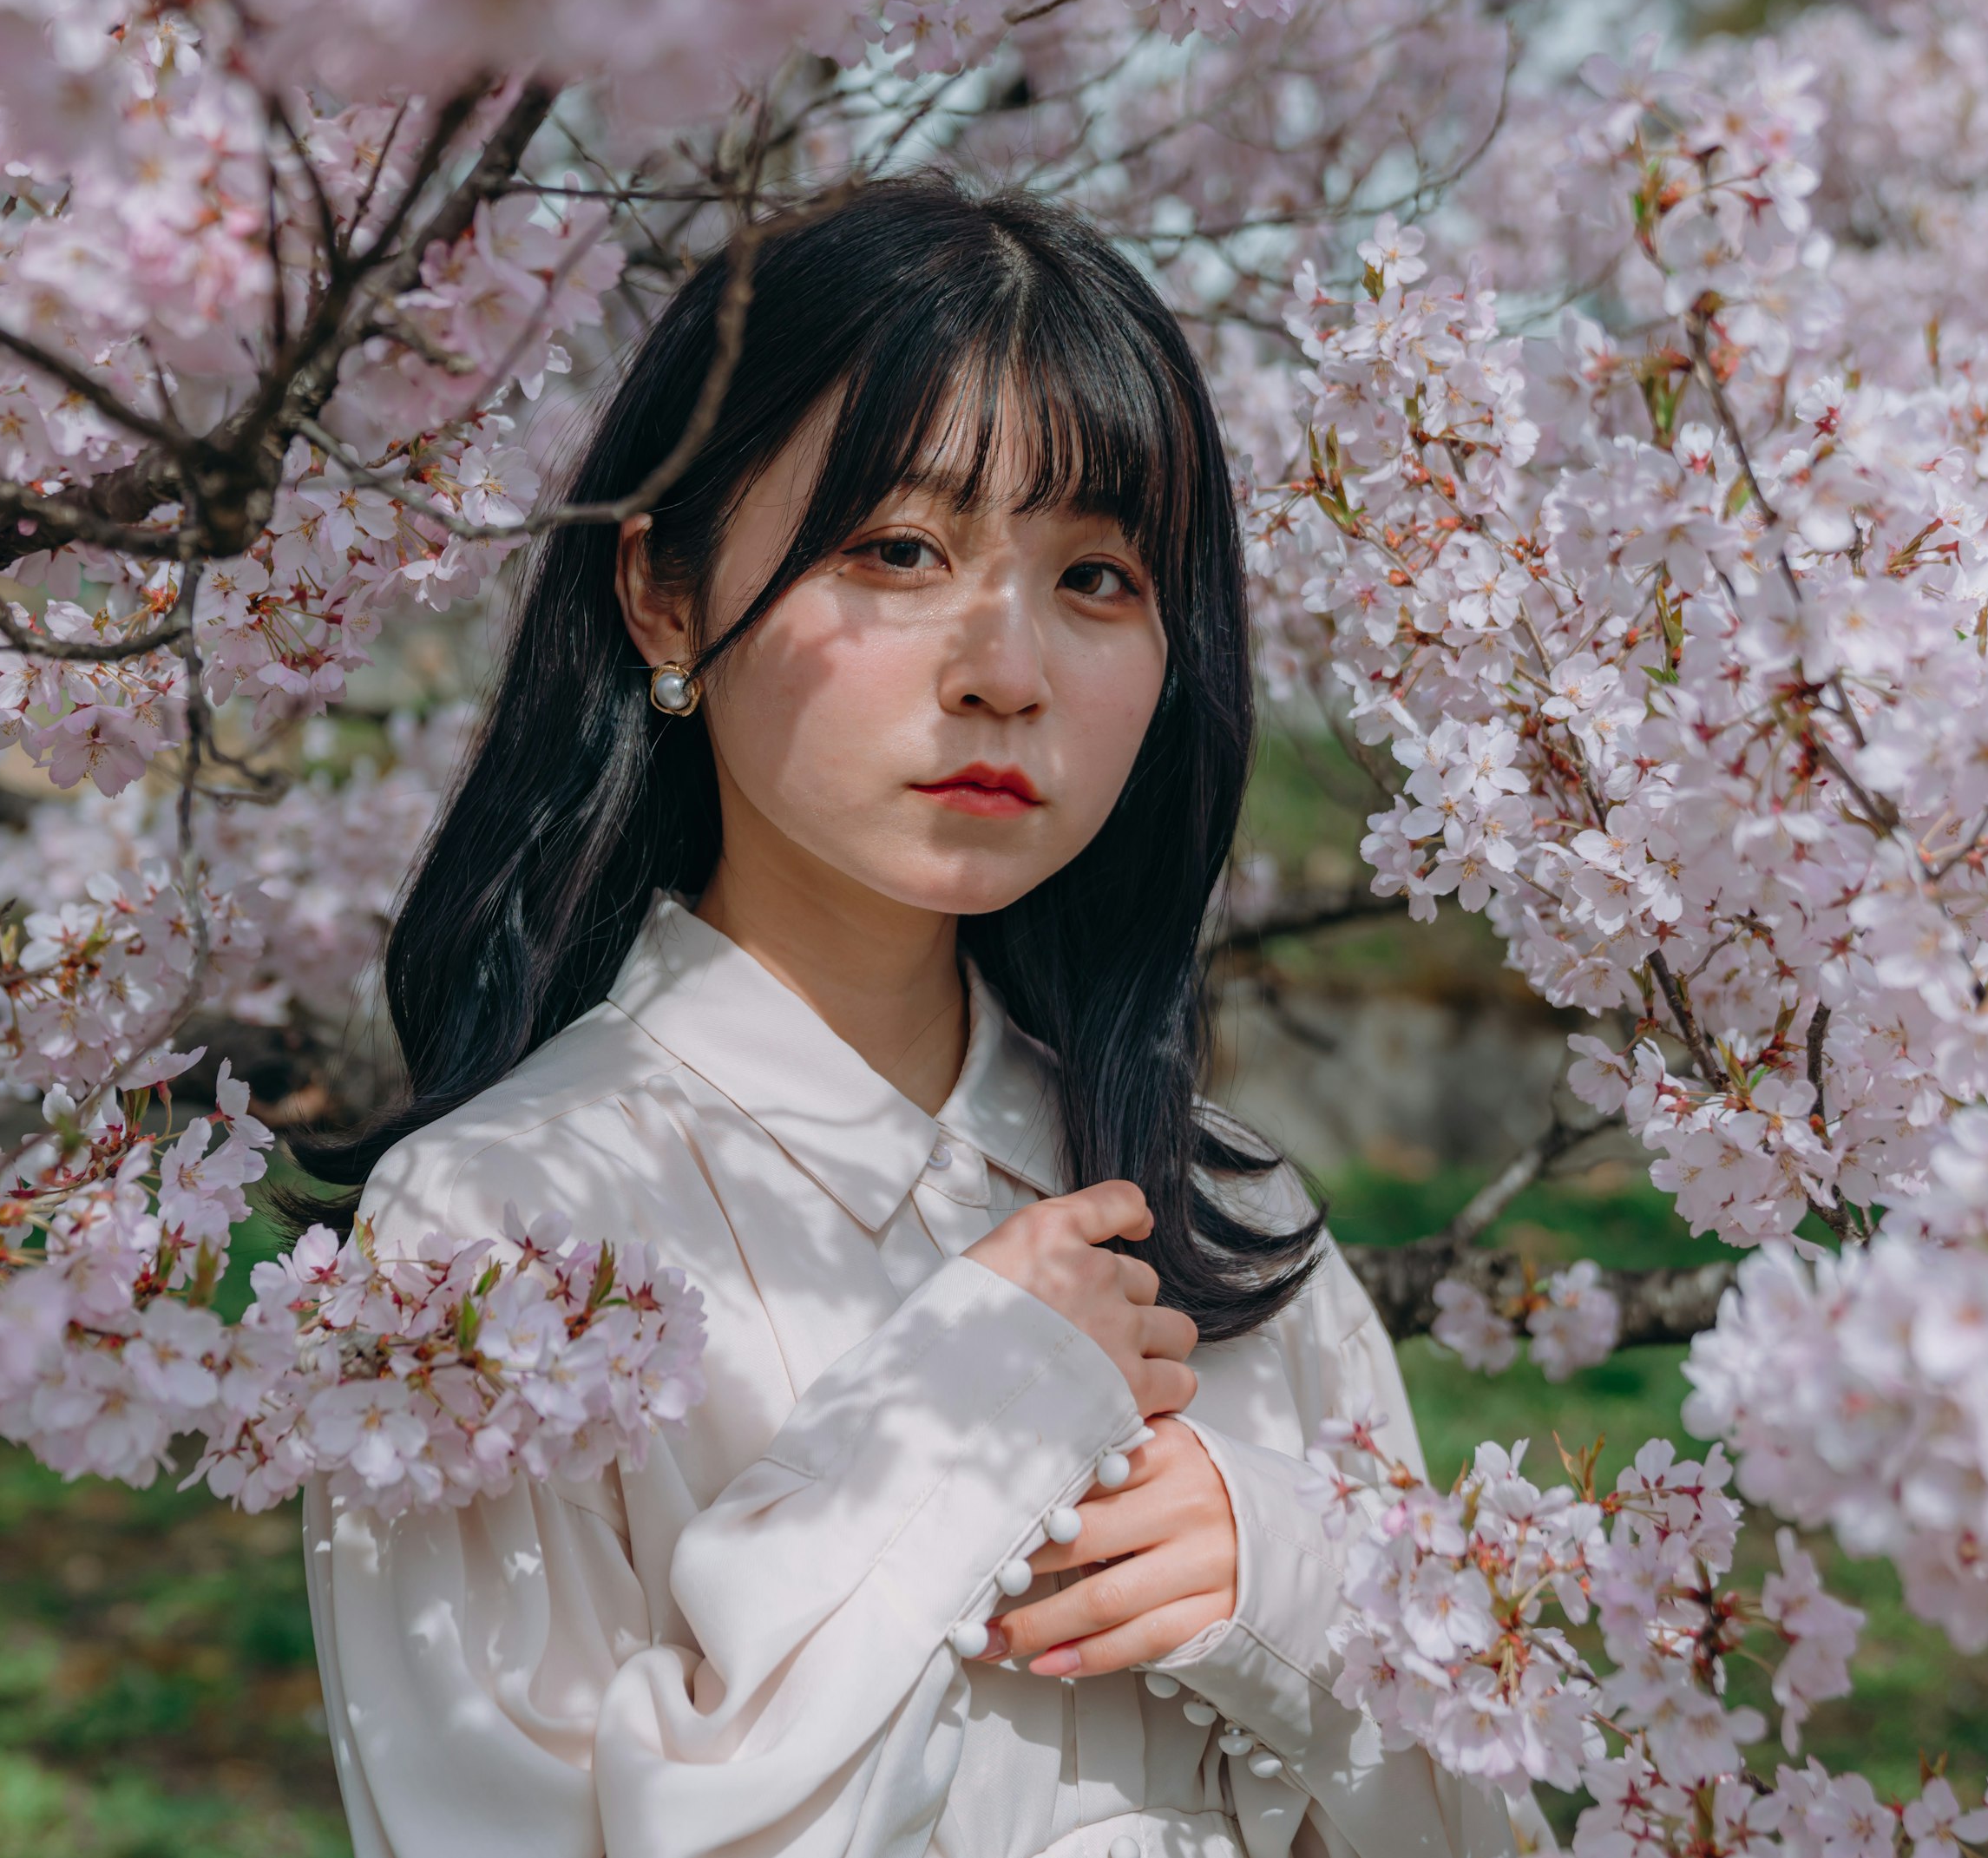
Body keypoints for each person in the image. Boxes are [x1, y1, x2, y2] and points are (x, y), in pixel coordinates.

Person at [287, 177, 1537, 1858]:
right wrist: (968, 1421)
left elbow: (1486, 1829)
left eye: (1097, 576)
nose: (1004, 665)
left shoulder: (1229, 1216)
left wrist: (1286, 1589)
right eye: (900, 550)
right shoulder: (496, 1241)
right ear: (661, 594)